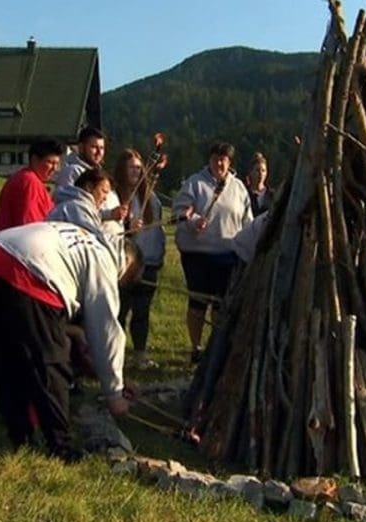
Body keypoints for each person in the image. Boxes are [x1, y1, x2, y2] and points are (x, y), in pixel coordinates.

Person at [0, 168, 140, 459]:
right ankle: (62, 447)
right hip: (27, 275)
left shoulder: (76, 235)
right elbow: (105, 329)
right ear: (125, 265)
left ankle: (21, 435)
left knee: (6, 356)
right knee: (51, 363)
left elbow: (63, 322)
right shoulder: (103, 258)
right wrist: (114, 394)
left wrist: (104, 368)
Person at [173, 142, 253, 363]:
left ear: (230, 162)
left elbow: (247, 220)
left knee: (221, 305)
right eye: (217, 158)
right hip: (198, 254)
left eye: (225, 159)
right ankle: (196, 346)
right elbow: (180, 212)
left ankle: (216, 346)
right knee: (198, 303)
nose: (220, 163)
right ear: (210, 159)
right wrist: (194, 221)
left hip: (227, 254)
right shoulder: (194, 184)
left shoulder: (238, 188)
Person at [113, 149, 165, 369]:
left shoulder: (150, 197)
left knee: (142, 313)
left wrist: (159, 255)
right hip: (124, 266)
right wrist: (127, 227)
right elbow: (108, 229)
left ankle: (140, 355)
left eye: (138, 167)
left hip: (149, 263)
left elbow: (157, 230)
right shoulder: (115, 196)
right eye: (131, 167)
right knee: (120, 312)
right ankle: (115, 355)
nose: (135, 171)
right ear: (121, 170)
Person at [52, 126, 128, 236]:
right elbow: (75, 211)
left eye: (101, 148)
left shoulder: (102, 175)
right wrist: (109, 214)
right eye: (94, 147)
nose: (99, 152)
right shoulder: (72, 172)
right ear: (81, 147)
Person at [0, 139, 64, 234]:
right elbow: (30, 225)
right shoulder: (29, 182)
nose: (55, 169)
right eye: (50, 162)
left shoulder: (26, 178)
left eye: (57, 164)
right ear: (35, 159)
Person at [246, 152, 272, 217]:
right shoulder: (244, 192)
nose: (261, 174)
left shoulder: (272, 195)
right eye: (257, 170)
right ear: (251, 172)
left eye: (263, 171)